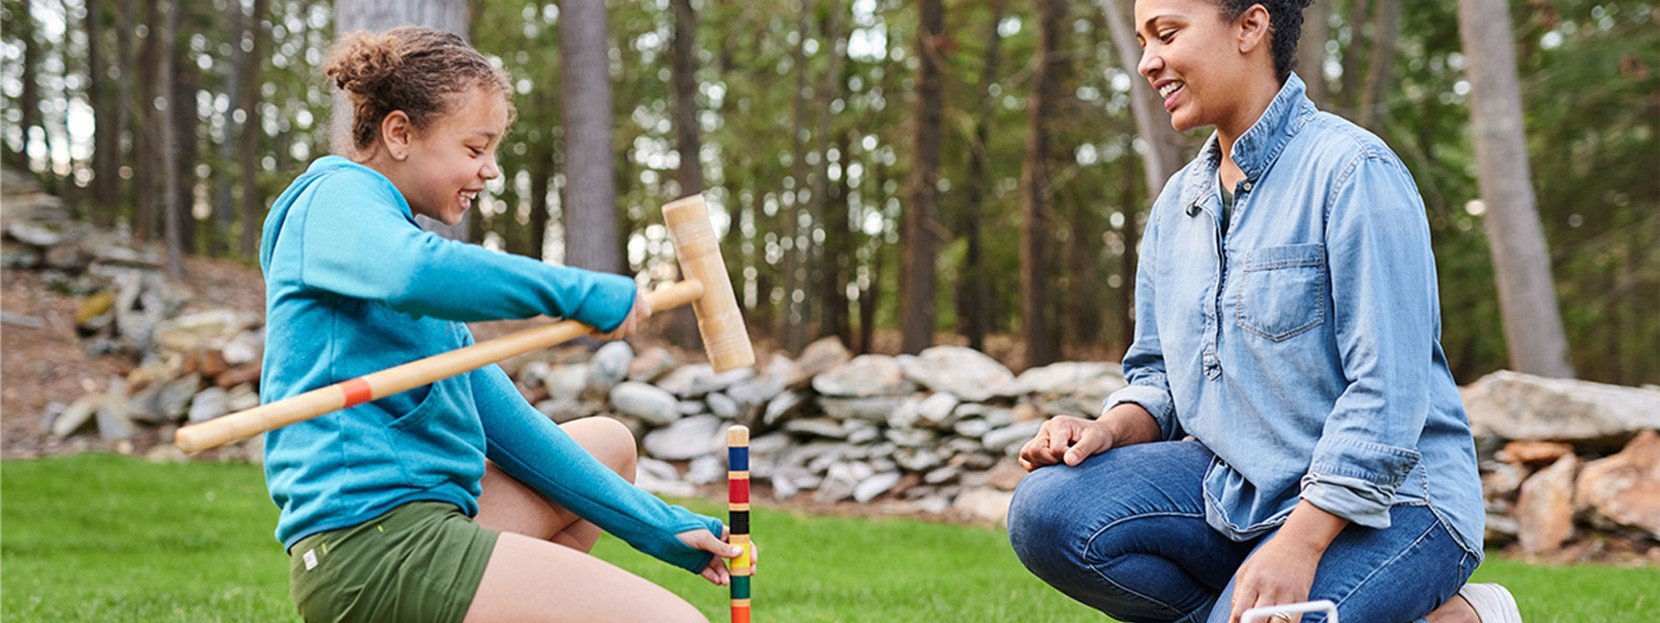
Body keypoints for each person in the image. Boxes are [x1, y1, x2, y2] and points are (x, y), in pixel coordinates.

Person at [1006, 1, 1520, 622]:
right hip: (1238, 492)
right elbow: (1158, 380)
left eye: (1167, 34)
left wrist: (1299, 545)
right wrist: (1105, 432)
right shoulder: (1177, 207)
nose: (1147, 61)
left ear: (1250, 26)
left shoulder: (1354, 171)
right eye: (1144, 40)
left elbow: (1389, 395)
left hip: (1397, 506)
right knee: (1049, 510)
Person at [259, 27, 751, 623]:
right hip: (372, 547)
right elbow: (415, 273)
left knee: (609, 444)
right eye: (474, 149)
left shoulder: (400, 261)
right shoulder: (335, 202)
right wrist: (576, 293)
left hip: (433, 521)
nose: (490, 171)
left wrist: (660, 526)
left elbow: (514, 433)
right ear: (399, 133)